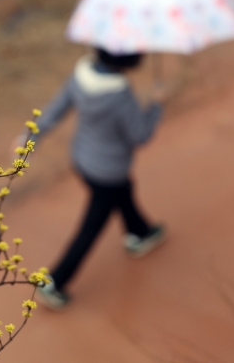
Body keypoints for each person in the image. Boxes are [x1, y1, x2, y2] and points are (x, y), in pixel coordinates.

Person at [30, 48, 167, 309]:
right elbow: (140, 135)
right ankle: (54, 282)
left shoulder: (80, 76)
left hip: (82, 159)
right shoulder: (120, 96)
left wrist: (30, 137)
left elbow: (55, 109)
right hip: (108, 171)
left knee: (124, 190)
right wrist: (156, 105)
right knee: (91, 227)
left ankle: (140, 232)